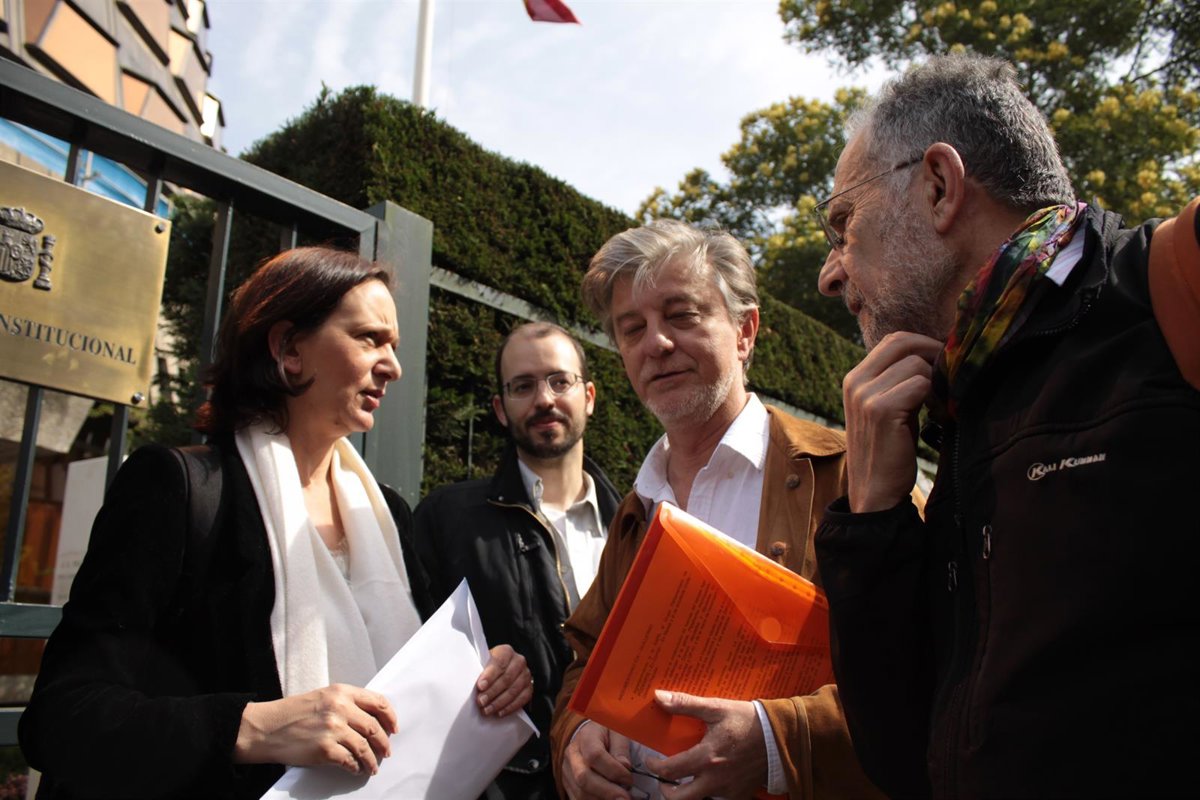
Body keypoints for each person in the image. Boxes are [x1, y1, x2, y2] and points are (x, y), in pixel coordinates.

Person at [812, 54, 1200, 798]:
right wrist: (872, 522)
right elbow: (905, 762)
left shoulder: (1172, 289)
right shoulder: (960, 402)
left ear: (938, 185)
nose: (830, 274)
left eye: (843, 224)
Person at [19, 247, 533, 799]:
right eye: (369, 338)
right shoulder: (177, 488)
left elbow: (414, 684)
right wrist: (255, 727)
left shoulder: (386, 514)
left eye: (394, 346)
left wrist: (484, 675)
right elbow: (62, 716)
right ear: (288, 349)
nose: (393, 366)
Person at [551, 220, 883, 800]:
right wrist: (575, 735)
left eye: (681, 315)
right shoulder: (634, 510)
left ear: (745, 331)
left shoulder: (849, 475)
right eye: (633, 328)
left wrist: (777, 743)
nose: (656, 343)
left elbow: (931, 671)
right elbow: (585, 664)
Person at [413, 321, 622, 798]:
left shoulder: (638, 524)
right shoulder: (446, 521)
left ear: (589, 396)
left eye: (559, 381)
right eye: (523, 386)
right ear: (500, 409)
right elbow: (413, 663)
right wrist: (476, 669)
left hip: (623, 781)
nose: (544, 399)